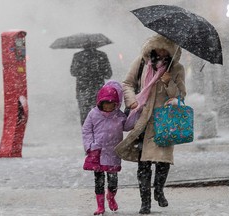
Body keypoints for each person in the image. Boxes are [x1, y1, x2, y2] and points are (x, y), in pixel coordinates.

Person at [115, 34, 186, 214]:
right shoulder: (141, 63)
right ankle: (145, 202)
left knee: (163, 161)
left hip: (164, 120)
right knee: (143, 163)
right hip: (143, 120)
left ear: (171, 50)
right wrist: (132, 101)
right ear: (152, 48)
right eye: (157, 48)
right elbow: (127, 84)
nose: (160, 52)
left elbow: (180, 96)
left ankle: (159, 190)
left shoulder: (177, 68)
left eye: (165, 49)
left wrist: (169, 82)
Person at [82, 80, 135, 215]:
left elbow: (128, 126)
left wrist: (135, 113)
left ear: (116, 104)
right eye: (105, 103)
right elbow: (86, 130)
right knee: (99, 180)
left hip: (113, 152)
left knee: (113, 180)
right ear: (100, 102)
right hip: (97, 152)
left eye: (111, 104)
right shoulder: (93, 114)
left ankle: (111, 197)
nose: (108, 106)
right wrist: (89, 146)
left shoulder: (119, 116)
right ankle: (100, 206)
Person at [70, 46, 112, 125]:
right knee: (99, 116)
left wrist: (84, 72)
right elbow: (108, 74)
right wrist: (98, 71)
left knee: (85, 117)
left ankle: (87, 135)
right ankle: (99, 134)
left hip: (82, 91)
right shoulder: (101, 55)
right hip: (98, 91)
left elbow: (73, 72)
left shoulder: (77, 56)